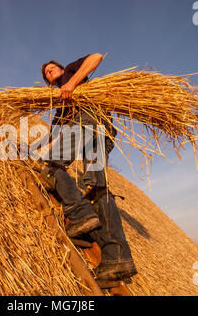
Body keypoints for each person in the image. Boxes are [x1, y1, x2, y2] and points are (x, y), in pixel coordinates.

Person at [40, 54, 138, 281]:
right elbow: (54, 133)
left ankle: (79, 214)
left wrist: (71, 83)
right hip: (101, 130)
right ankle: (117, 258)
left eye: (52, 68)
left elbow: (96, 57)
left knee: (51, 167)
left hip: (88, 120)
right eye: (46, 73)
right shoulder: (61, 104)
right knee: (97, 189)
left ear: (61, 69)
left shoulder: (71, 73)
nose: (49, 72)